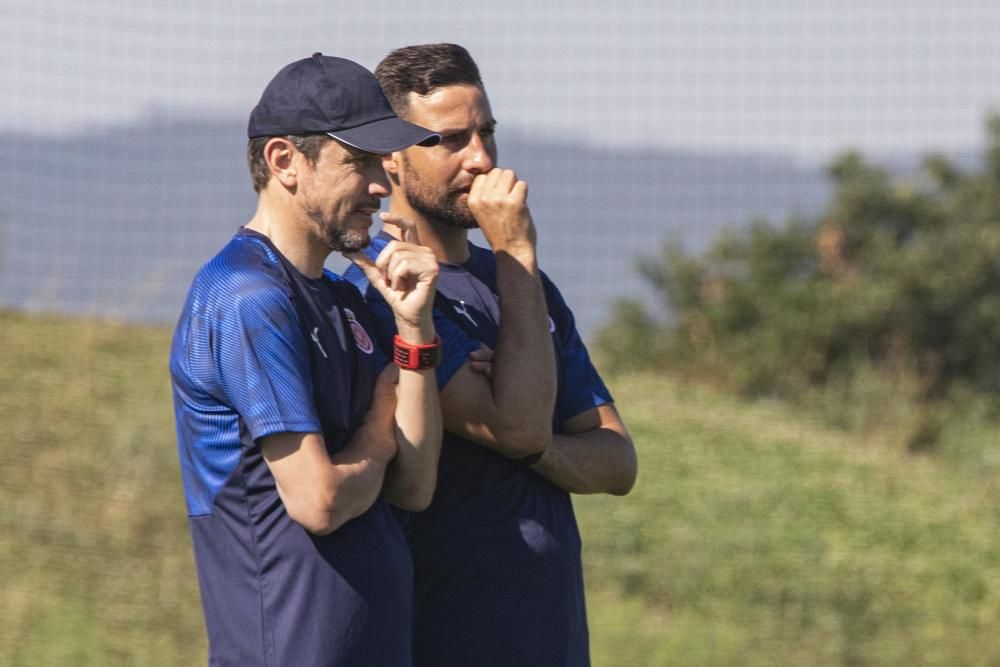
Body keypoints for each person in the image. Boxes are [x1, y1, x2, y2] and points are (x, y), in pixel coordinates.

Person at [346, 43, 638, 666]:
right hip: (444, 637)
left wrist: (544, 449)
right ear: (391, 159)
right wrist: (517, 251)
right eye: (449, 140)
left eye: (487, 133)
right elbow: (516, 423)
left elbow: (617, 460)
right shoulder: (384, 286)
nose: (480, 159)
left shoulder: (523, 286)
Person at [169, 53, 445, 666]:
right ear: (284, 162)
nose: (382, 184)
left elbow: (416, 484)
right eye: (360, 161)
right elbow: (318, 501)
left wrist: (414, 327)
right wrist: (378, 429)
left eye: (383, 161)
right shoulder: (247, 297)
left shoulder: (347, 296)